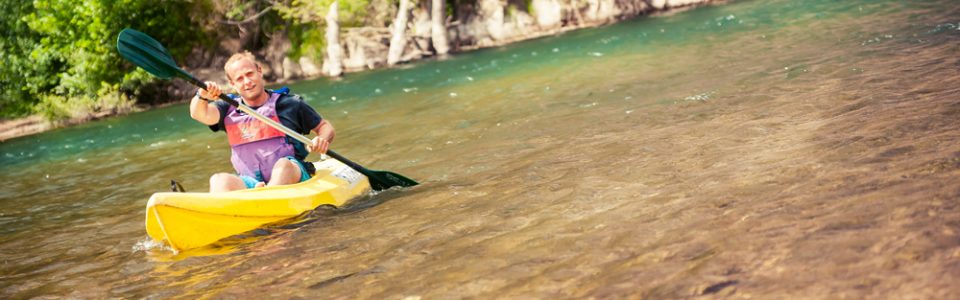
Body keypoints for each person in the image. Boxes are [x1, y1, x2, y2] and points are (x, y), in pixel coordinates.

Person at [189, 51, 334, 192]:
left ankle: (267, 195)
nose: (247, 81)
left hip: (294, 175)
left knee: (283, 166)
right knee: (219, 180)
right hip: (251, 183)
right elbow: (198, 114)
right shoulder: (227, 108)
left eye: (250, 73)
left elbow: (324, 126)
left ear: (259, 71)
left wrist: (322, 139)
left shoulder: (290, 104)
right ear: (232, 84)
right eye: (239, 78)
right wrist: (201, 95)